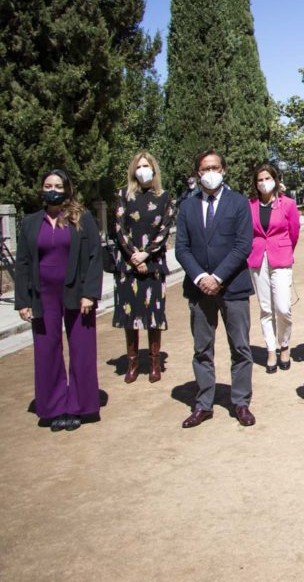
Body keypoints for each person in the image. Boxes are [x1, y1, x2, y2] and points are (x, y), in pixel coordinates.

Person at [14, 169, 102, 431]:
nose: (53, 189)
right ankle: (54, 408)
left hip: (76, 292)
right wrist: (23, 301)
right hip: (43, 294)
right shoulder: (30, 223)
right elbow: (22, 262)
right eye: (48, 185)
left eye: (58, 185)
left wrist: (90, 293)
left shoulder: (81, 219)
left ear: (67, 190)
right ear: (41, 189)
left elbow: (94, 256)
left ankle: (78, 406)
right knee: (46, 350)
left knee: (82, 349)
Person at [174, 149, 256, 427]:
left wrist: (218, 277)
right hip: (199, 290)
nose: (209, 173)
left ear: (223, 171)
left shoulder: (239, 203)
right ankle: (204, 403)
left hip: (233, 286)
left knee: (241, 347)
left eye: (214, 168)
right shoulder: (186, 206)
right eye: (204, 168)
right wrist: (200, 277)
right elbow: (182, 248)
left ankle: (241, 402)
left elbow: (243, 244)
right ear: (198, 173)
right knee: (202, 348)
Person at [112, 151, 174, 384]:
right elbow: (118, 228)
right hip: (128, 264)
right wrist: (133, 256)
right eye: (139, 166)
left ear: (154, 169)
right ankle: (132, 362)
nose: (143, 170)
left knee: (153, 315)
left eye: (147, 166)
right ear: (132, 171)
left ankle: (154, 361)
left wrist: (146, 254)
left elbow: (165, 228)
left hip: (154, 263)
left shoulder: (165, 197)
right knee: (131, 314)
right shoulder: (123, 195)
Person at [247, 162, 301, 373]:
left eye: (267, 178)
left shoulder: (287, 204)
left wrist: (285, 249)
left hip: (281, 257)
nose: (264, 183)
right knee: (266, 308)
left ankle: (284, 344)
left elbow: (294, 231)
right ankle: (271, 349)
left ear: (275, 180)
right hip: (258, 258)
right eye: (260, 180)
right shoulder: (249, 205)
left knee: (283, 307)